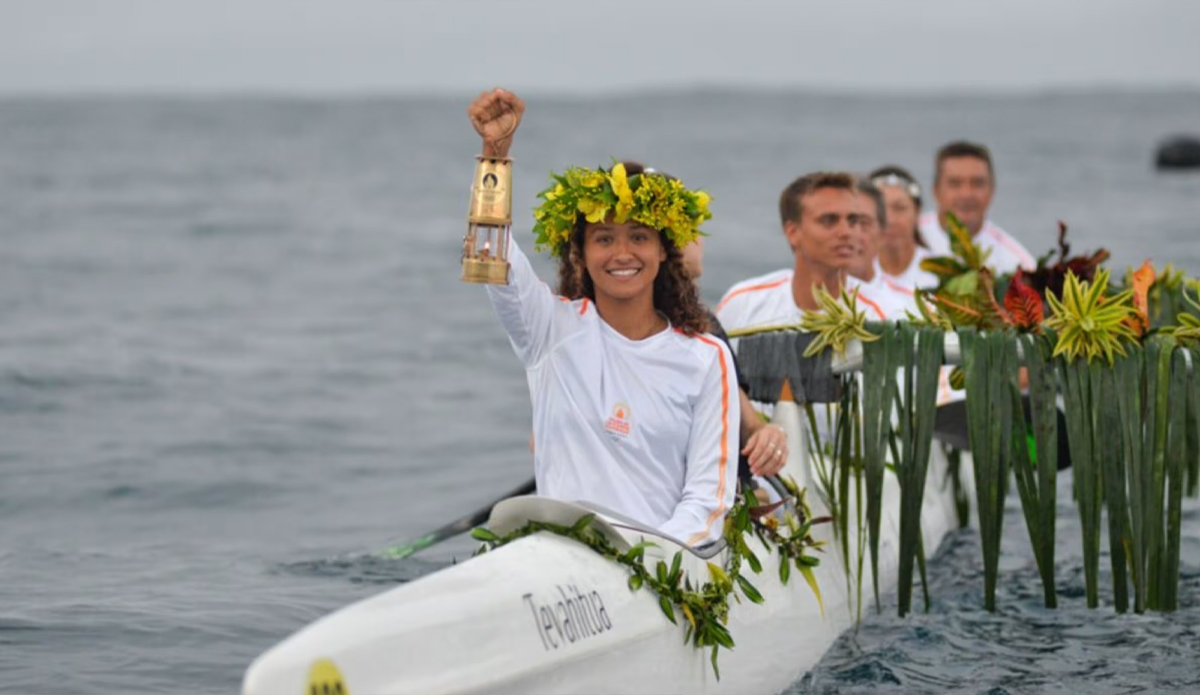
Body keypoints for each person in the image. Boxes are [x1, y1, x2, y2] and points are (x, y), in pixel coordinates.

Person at [467, 88, 738, 547]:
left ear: (662, 252)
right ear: (583, 254)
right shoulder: (550, 331)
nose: (623, 254)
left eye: (639, 237)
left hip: (656, 568)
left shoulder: (705, 357)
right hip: (556, 559)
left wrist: (645, 559)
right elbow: (491, 259)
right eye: (604, 239)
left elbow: (707, 502)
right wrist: (494, 157)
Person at [715, 171, 894, 332]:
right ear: (793, 232)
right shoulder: (742, 304)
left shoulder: (886, 315)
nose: (846, 232)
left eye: (853, 220)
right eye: (829, 220)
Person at [918, 141, 1035, 275]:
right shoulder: (904, 237)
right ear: (936, 191)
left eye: (977, 183)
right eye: (955, 183)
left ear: (991, 191)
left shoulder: (1019, 265)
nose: (966, 194)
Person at [847, 178, 918, 319]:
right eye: (830, 221)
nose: (849, 234)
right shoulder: (791, 287)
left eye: (863, 223)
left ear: (882, 232)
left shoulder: (914, 308)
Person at [869, 165, 939, 291]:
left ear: (917, 212)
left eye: (899, 208)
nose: (889, 220)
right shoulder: (850, 274)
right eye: (880, 209)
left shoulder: (941, 273)